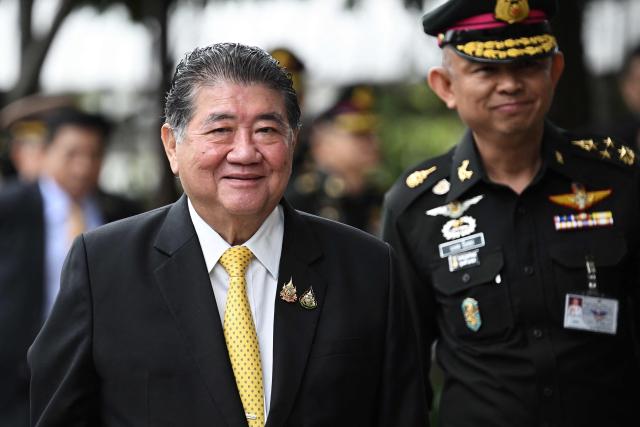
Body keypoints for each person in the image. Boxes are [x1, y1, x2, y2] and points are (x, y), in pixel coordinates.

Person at [28, 43, 426, 427]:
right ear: (172, 146)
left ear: (293, 142)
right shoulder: (103, 266)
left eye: (267, 129)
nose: (245, 152)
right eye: (221, 130)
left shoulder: (369, 268)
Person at [382, 1, 640, 426]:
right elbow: (402, 369)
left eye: (526, 67)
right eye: (486, 71)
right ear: (445, 86)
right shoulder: (416, 208)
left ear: (554, 72)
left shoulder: (619, 181)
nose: (510, 85)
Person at [0, 108, 141, 427]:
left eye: (94, 155)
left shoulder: (122, 213)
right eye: (72, 154)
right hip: (16, 375)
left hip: (97, 370)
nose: (83, 166)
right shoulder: (10, 209)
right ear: (46, 152)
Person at [287, 84, 384, 234]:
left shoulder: (380, 199)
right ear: (322, 142)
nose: (372, 141)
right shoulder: (298, 202)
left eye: (372, 133)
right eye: (359, 134)